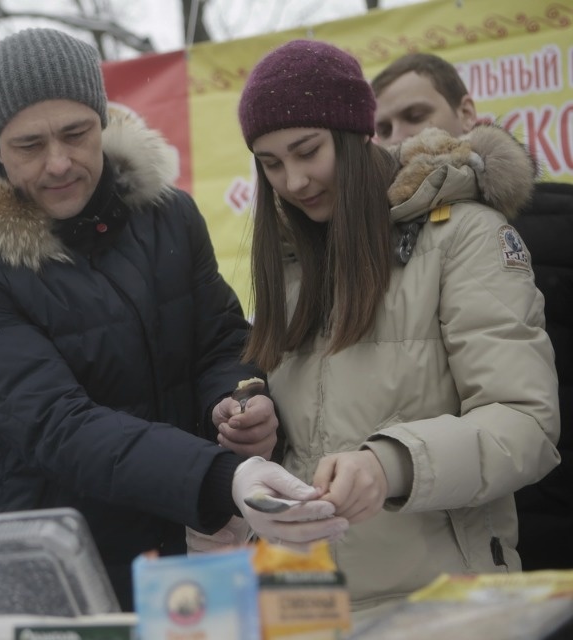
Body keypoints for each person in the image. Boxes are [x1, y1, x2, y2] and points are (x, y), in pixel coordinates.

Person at [0, 28, 349, 610]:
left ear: (102, 122)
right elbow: (53, 423)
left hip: (186, 554)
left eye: (76, 134)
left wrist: (239, 402)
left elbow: (220, 339)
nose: (58, 163)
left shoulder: (170, 216)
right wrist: (219, 477)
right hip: (56, 570)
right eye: (29, 145)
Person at [232, 39, 560, 617]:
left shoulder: (463, 235)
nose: (295, 180)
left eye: (308, 151)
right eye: (271, 163)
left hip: (440, 604)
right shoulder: (287, 263)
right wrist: (253, 423)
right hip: (304, 606)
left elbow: (525, 425)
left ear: (358, 134)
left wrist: (392, 465)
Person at [372, 52, 573, 571]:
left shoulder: (559, 218)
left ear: (466, 112)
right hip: (456, 528)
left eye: (415, 116)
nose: (397, 137)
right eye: (382, 128)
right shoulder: (368, 249)